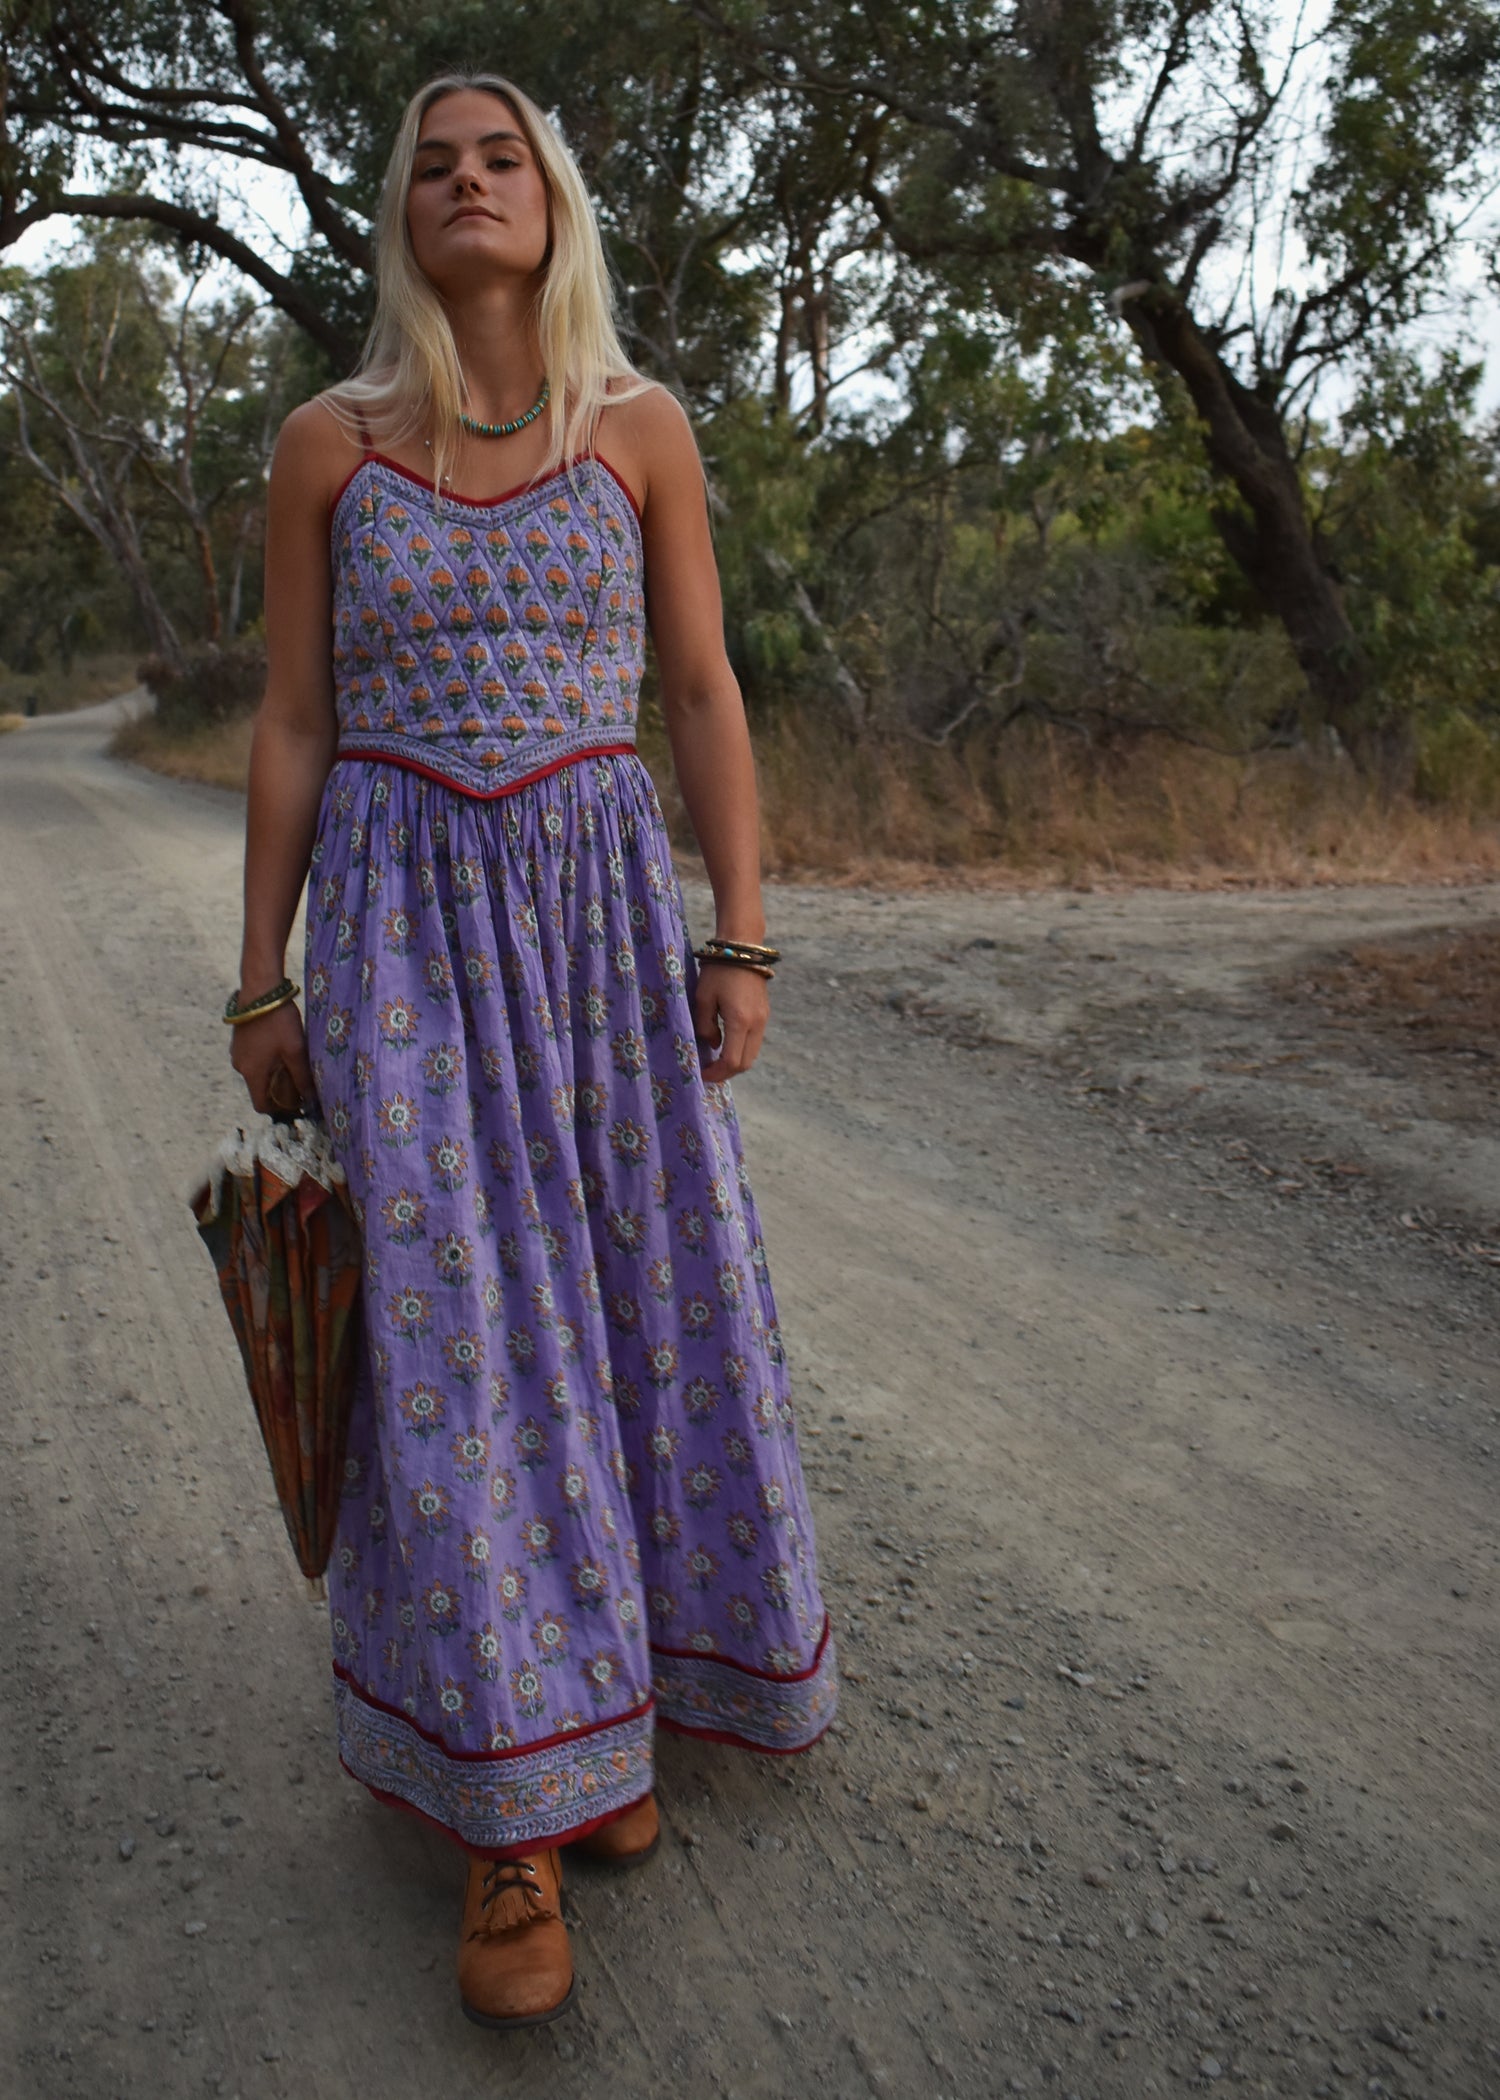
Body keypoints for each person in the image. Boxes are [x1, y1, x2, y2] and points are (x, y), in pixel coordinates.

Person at [228, 68, 837, 2030]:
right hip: (404, 942)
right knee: (460, 1345)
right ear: (398, 221)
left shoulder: (640, 430)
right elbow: (298, 723)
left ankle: (618, 1717)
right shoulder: (329, 448)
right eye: (431, 167)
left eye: (501, 159)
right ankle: (511, 1828)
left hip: (595, 928)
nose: (467, 185)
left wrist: (735, 931)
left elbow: (704, 686)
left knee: (631, 1304)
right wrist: (265, 976)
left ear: (554, 200)